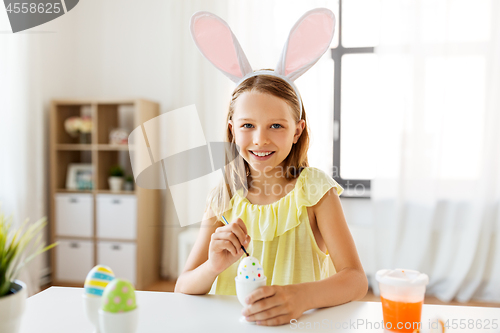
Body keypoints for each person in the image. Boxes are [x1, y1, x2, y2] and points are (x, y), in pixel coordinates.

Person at [174, 9, 368, 326]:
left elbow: (356, 280)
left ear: (297, 130)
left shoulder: (315, 190)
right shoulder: (222, 197)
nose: (260, 139)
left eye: (276, 125)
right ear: (232, 130)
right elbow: (183, 287)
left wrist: (301, 298)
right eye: (248, 125)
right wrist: (213, 266)